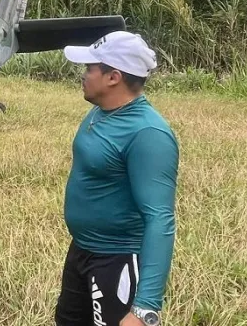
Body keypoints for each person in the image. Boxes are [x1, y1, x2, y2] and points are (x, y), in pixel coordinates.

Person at [56, 31, 179, 326]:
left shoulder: (148, 135)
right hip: (82, 250)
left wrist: (145, 308)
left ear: (113, 77)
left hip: (116, 259)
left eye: (89, 68)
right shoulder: (101, 112)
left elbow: (160, 218)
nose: (83, 75)